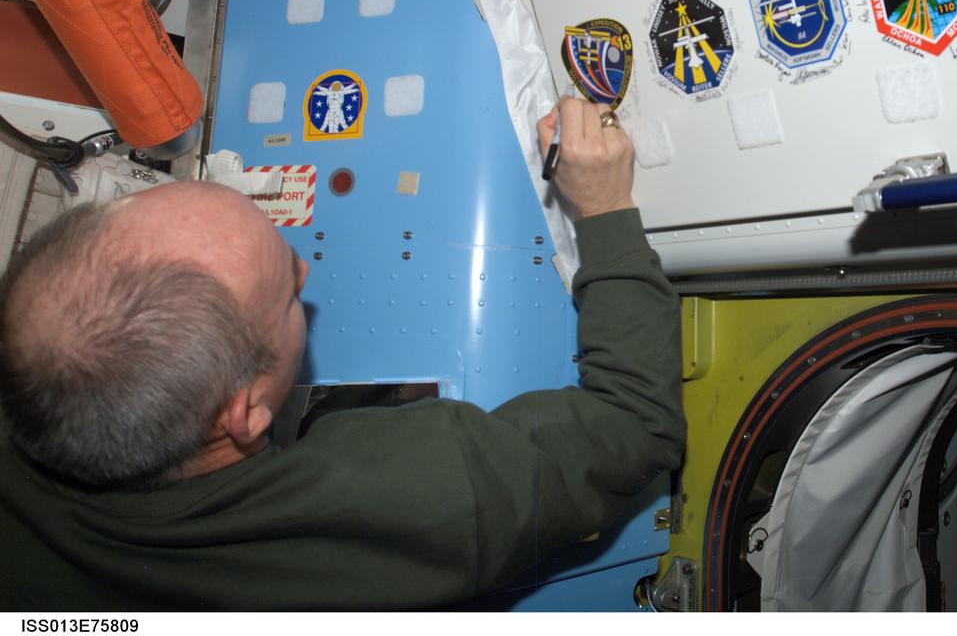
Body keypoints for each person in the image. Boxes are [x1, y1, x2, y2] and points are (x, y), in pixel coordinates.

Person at [0, 98, 685, 610]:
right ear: (242, 414)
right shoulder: (415, 502)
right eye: (286, 291)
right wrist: (605, 211)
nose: (304, 270)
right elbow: (636, 420)